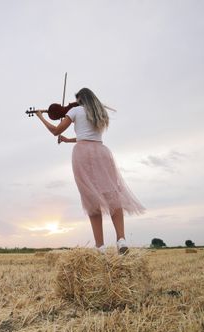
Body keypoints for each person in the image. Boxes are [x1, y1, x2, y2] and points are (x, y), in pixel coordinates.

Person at [34, 87, 145, 255]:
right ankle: (121, 239)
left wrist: (41, 117)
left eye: (76, 100)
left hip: (83, 155)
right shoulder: (100, 112)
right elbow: (89, 136)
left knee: (91, 200)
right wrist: (68, 140)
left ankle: (100, 247)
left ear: (80, 99)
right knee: (112, 195)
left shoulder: (75, 111)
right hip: (102, 152)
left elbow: (56, 130)